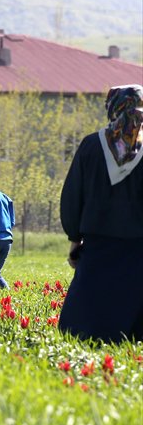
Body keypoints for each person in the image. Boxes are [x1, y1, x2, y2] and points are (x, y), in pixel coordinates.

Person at [58, 84, 143, 343]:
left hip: (98, 244)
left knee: (87, 315)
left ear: (113, 107)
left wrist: (75, 238)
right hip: (139, 248)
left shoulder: (91, 145)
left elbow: (73, 194)